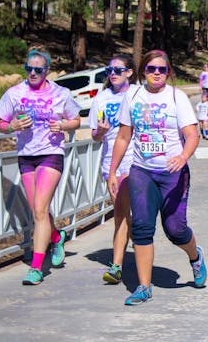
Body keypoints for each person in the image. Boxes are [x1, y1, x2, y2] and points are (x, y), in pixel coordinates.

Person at [108, 49, 208, 305]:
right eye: (151, 69)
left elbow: (192, 134)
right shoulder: (133, 96)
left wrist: (183, 156)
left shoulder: (177, 98)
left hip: (173, 173)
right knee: (142, 226)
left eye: (161, 70)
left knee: (175, 229)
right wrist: (113, 171)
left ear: (168, 73)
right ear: (143, 71)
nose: (156, 74)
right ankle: (144, 286)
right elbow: (123, 137)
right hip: (142, 170)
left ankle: (195, 256)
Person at [0, 46, 81, 285]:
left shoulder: (60, 93)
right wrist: (11, 126)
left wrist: (62, 126)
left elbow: (76, 119)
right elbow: (0, 122)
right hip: (26, 155)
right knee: (37, 210)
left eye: (38, 70)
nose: (32, 73)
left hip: (51, 154)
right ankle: (56, 236)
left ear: (47, 71)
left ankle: (36, 267)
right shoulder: (14, 93)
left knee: (41, 209)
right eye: (28, 69)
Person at [88, 54, 137, 284]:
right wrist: (101, 131)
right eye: (110, 70)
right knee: (121, 212)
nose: (113, 74)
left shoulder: (138, 94)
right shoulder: (101, 99)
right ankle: (118, 263)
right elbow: (95, 137)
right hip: (111, 163)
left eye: (118, 70)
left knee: (127, 212)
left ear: (129, 72)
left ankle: (124, 262)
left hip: (136, 159)